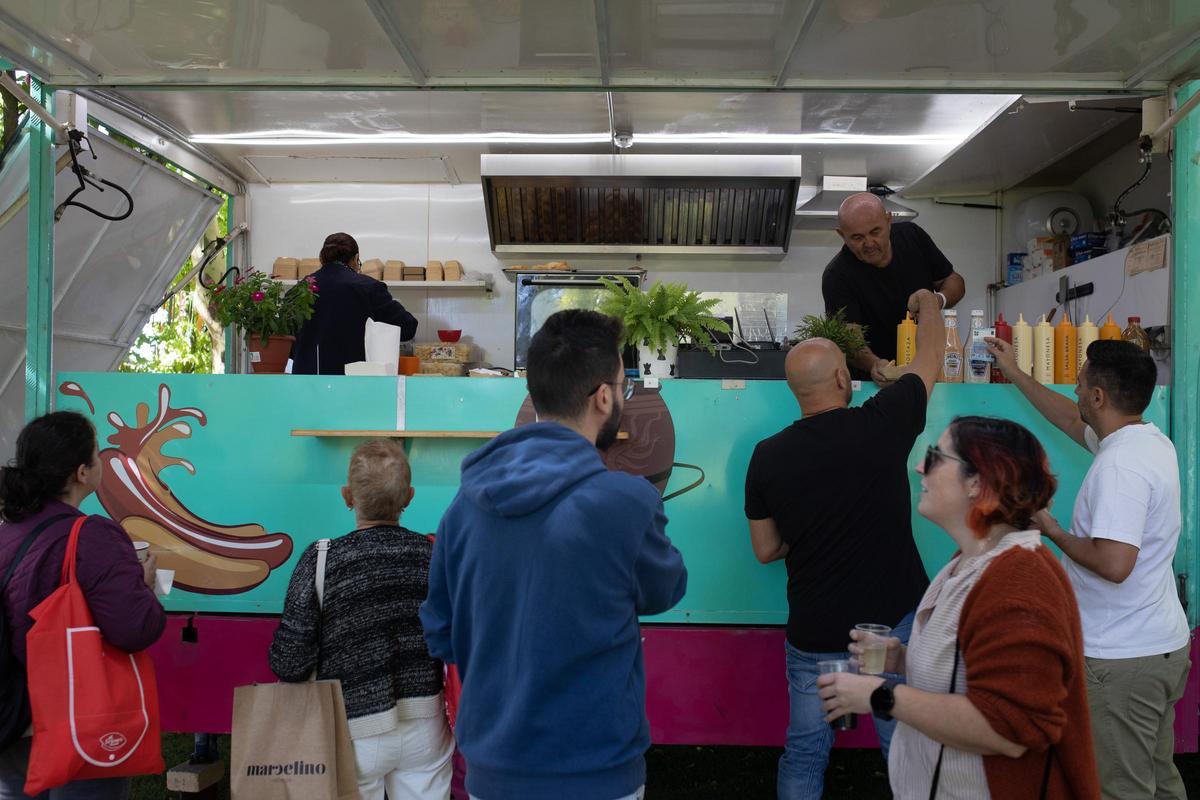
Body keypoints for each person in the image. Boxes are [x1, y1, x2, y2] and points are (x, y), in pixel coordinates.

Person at [420, 309, 688, 800]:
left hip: (493, 771)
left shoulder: (463, 507)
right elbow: (666, 588)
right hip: (600, 772)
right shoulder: (626, 502)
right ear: (604, 396)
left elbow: (441, 631)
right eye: (623, 388)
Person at [817, 416, 1100, 799]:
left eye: (935, 456)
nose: (920, 466)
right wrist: (902, 659)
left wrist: (879, 695)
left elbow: (1012, 728)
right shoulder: (968, 562)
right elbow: (969, 667)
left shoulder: (1021, 579)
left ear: (977, 483)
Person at [745, 289, 944, 800]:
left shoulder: (767, 456)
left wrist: (808, 531)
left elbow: (766, 550)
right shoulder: (884, 421)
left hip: (815, 635)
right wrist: (930, 305)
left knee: (806, 752)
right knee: (901, 743)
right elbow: (930, 357)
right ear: (841, 379)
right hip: (889, 629)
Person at [986, 336, 1189, 799]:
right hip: (1156, 647)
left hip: (1120, 660)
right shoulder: (1147, 441)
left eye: (1080, 385)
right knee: (1158, 781)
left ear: (1098, 397)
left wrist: (1051, 530)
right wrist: (1015, 373)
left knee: (1119, 787)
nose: (1075, 392)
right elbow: (1065, 417)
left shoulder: (1120, 467)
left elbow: (1115, 564)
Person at [269, 438, 452, 800]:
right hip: (426, 725)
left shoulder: (321, 559)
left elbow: (290, 662)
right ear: (410, 496)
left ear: (347, 495)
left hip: (350, 728)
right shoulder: (433, 556)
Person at [0, 411, 164, 800]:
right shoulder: (92, 536)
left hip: (10, 717)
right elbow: (135, 628)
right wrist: (144, 588)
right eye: (97, 452)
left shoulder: (6, 535)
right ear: (81, 473)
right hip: (78, 720)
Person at [821, 193, 966, 384]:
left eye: (875, 232)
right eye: (857, 237)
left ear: (889, 221)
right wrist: (876, 365)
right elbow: (850, 340)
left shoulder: (912, 237)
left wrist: (935, 301)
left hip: (929, 372)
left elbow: (954, 281)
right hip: (872, 382)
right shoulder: (837, 275)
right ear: (842, 235)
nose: (869, 243)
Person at [291, 232, 418, 375]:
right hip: (355, 382)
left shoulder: (299, 290)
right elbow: (408, 327)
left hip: (306, 382)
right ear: (356, 259)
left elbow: (286, 343)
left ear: (322, 258)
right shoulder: (368, 287)